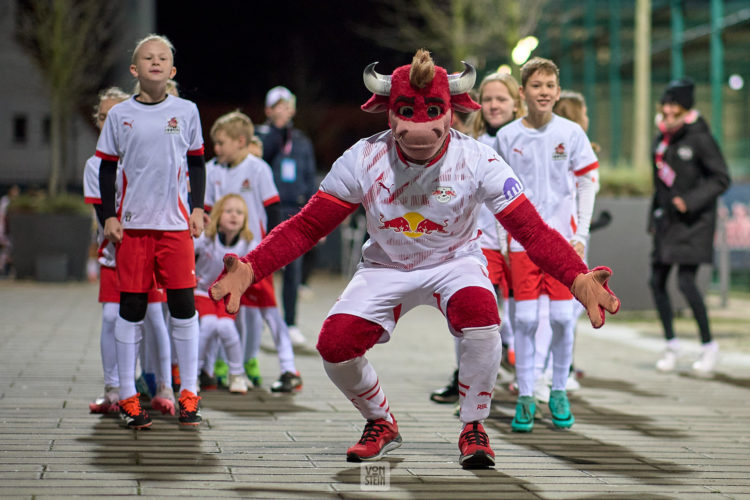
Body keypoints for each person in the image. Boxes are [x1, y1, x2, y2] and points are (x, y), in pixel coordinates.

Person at [210, 49, 619, 468]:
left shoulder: (479, 159)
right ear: (389, 113)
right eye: (406, 110)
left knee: (483, 318)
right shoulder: (362, 158)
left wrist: (576, 277)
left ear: (452, 112)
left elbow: (531, 230)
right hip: (385, 265)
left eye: (433, 110)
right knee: (333, 346)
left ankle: (474, 425)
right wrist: (252, 267)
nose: (420, 124)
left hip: (453, 261)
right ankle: (380, 420)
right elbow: (307, 225)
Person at [95, 34, 206, 429]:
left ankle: (188, 393)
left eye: (163, 58)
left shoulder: (187, 111)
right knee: (132, 309)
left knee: (183, 307)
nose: (155, 62)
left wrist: (196, 207)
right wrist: (108, 215)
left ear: (172, 70)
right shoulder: (121, 115)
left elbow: (196, 163)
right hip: (134, 229)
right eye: (147, 57)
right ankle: (127, 395)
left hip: (175, 227)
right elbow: (107, 167)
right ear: (134, 69)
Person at [495, 57, 600, 433]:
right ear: (522, 92)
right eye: (536, 86)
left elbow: (589, 182)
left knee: (559, 318)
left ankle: (557, 390)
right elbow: (496, 192)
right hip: (522, 246)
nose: (543, 92)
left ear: (557, 91)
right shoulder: (507, 136)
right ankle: (525, 396)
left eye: (550, 86)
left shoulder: (571, 133)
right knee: (522, 320)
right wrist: (502, 238)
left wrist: (581, 234)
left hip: (562, 247)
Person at [430, 72, 523, 405]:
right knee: (470, 311)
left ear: (516, 102)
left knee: (521, 317)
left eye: (502, 99)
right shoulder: (470, 144)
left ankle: (534, 378)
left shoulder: (525, 141)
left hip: (518, 243)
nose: (494, 105)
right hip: (479, 243)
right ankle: (465, 379)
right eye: (488, 99)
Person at [83, 87, 175, 416]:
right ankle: (114, 389)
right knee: (112, 318)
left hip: (148, 250)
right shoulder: (95, 165)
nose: (112, 122)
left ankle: (164, 387)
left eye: (117, 116)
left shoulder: (148, 155)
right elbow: (104, 216)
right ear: (99, 122)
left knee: (153, 319)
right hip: (115, 254)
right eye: (105, 117)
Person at [204, 111, 301, 393]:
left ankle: (288, 369)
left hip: (255, 259)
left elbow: (272, 211)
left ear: (240, 141)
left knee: (269, 312)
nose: (217, 148)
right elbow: (209, 213)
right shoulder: (213, 171)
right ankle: (218, 369)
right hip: (224, 258)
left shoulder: (257, 169)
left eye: (221, 142)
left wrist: (271, 252)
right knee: (227, 311)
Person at [649, 77, 730, 375]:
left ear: (686, 108)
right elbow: (659, 186)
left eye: (675, 105)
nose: (668, 111)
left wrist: (690, 201)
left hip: (694, 224)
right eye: (666, 104)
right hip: (666, 223)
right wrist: (653, 219)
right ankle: (671, 345)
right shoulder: (662, 138)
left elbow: (721, 178)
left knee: (685, 282)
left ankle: (709, 347)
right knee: (656, 282)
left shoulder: (699, 137)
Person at [256, 86, 317, 346]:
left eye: (287, 104)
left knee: (293, 269)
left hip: (294, 209)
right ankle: (256, 320)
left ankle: (290, 323)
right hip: (267, 209)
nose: (284, 109)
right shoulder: (261, 135)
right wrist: (277, 130)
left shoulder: (301, 139)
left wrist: (313, 211)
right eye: (278, 105)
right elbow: (263, 159)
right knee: (261, 266)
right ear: (269, 110)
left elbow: (309, 174)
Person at [195, 194, 255, 394]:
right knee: (209, 326)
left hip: (227, 297)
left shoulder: (247, 243)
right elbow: (185, 253)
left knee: (227, 327)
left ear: (245, 219)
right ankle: (192, 375)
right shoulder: (206, 238)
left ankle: (236, 374)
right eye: (228, 211)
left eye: (239, 213)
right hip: (203, 292)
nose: (234, 216)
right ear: (218, 214)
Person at [0, 184, 20, 275]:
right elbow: (2, 215)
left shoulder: (17, 201)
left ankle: (6, 268)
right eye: (14, 190)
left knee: (9, 249)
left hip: (12, 229)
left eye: (17, 190)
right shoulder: (6, 200)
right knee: (5, 248)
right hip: (4, 228)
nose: (16, 192)